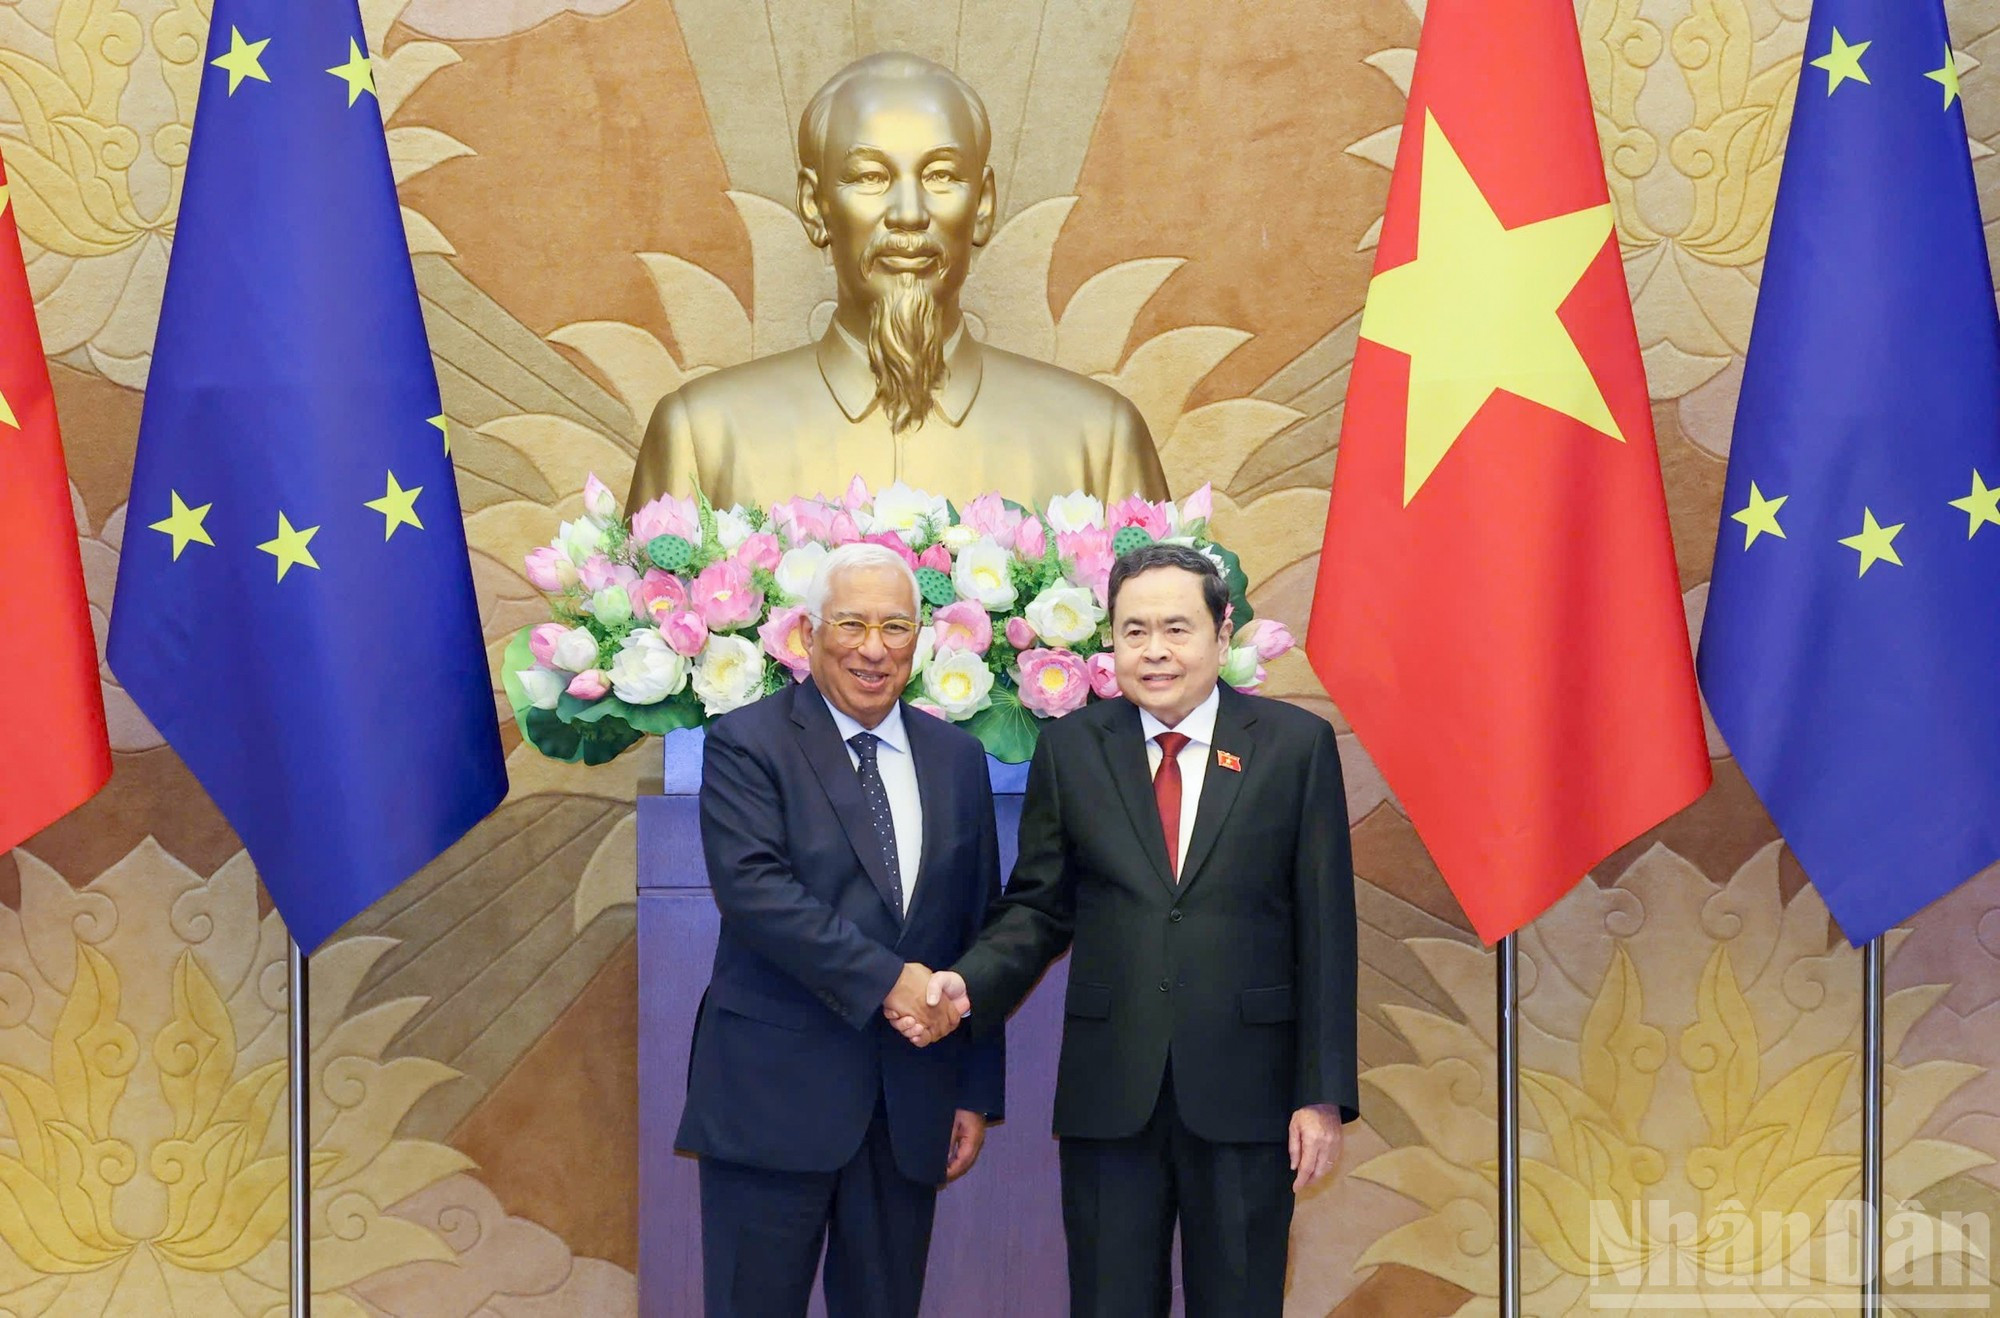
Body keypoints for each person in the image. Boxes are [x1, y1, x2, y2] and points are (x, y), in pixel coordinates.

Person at [892, 543, 1358, 1317]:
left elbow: (1326, 930)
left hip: (1251, 1095)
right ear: (1109, 643)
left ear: (1222, 630)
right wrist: (966, 982)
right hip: (1113, 1094)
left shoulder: (1294, 747)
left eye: (1176, 628)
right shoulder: (1075, 749)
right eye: (1133, 630)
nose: (1155, 651)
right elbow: (1039, 905)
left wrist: (1322, 1094)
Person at [624, 51, 1168, 512]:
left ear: (982, 205)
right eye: (870, 177)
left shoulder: (1099, 441)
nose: (908, 213)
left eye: (940, 176)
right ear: (815, 206)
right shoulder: (704, 436)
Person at [681, 541, 1001, 1318]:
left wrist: (974, 1089)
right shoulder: (748, 742)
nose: (872, 647)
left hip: (911, 1104)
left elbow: (977, 922)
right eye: (851, 623)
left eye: (895, 627)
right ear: (809, 632)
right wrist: (893, 980)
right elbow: (756, 894)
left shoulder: (958, 757)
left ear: (920, 640)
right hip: (772, 1099)